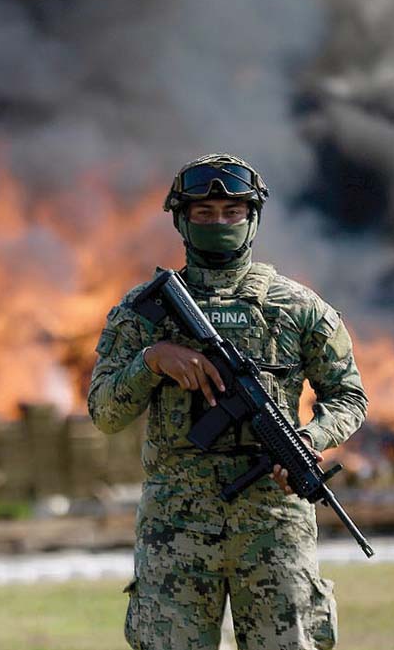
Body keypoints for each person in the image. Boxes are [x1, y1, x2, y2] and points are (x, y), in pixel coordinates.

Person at [88, 153, 368, 650]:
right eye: (204, 213)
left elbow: (348, 395)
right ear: (181, 220)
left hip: (274, 527)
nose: (219, 222)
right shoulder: (143, 312)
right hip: (175, 527)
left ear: (252, 218)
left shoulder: (297, 308)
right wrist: (151, 360)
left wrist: (310, 437)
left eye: (231, 212)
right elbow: (105, 413)